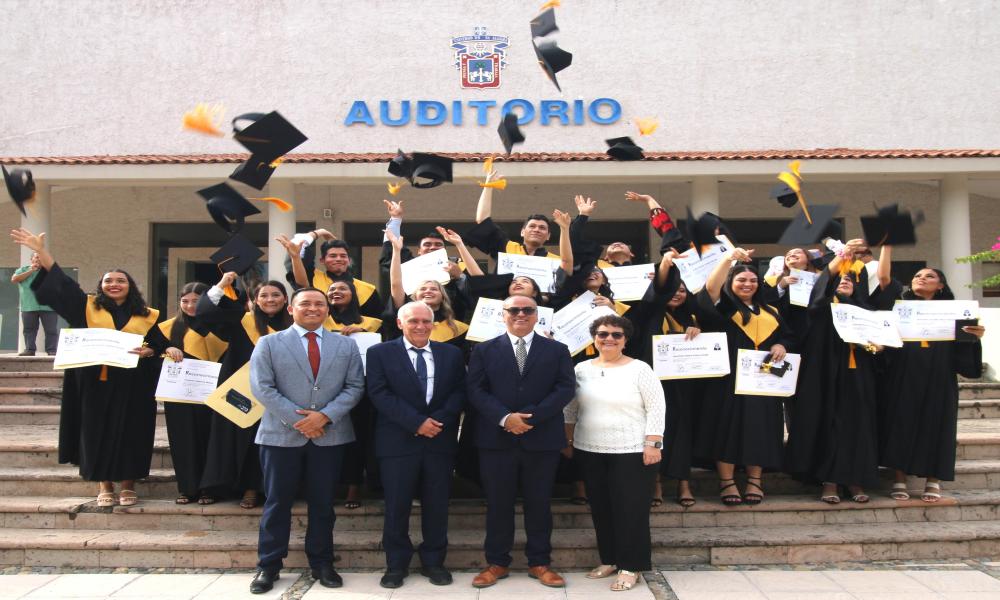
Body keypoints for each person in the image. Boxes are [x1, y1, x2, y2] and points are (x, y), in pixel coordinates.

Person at [10, 228, 162, 508]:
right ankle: (104, 484)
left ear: (131, 286)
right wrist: (41, 251)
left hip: (133, 385)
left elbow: (160, 344)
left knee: (132, 432)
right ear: (101, 286)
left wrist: (150, 350)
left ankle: (128, 484)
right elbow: (63, 286)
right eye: (108, 280)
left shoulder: (148, 315)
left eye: (121, 281)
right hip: (94, 383)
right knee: (95, 433)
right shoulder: (87, 306)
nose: (114, 284)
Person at [249, 287, 364, 594]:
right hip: (280, 436)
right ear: (291, 309)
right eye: (305, 303)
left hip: (330, 435)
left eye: (319, 304)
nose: (313, 308)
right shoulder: (269, 343)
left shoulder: (345, 345)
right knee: (277, 503)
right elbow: (262, 387)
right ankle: (268, 565)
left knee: (323, 503)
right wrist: (301, 421)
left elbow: (355, 387)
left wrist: (324, 417)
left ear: (327, 309)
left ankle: (322, 562)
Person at [466, 295, 575, 589]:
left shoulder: (557, 350)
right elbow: (475, 390)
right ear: (503, 314)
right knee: (498, 504)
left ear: (537, 315)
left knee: (539, 503)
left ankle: (540, 562)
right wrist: (505, 418)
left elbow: (565, 388)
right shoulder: (483, 349)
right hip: (496, 439)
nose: (520, 314)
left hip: (541, 439)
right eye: (514, 310)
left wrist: (530, 418)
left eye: (528, 310)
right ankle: (496, 563)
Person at [366, 301, 466, 589]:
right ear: (400, 323)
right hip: (398, 442)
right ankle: (396, 565)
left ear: (433, 324)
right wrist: (416, 422)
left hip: (439, 439)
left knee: (437, 505)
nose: (420, 326)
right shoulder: (380, 353)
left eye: (426, 321)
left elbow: (460, 391)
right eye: (413, 321)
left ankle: (434, 562)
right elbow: (379, 393)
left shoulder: (451, 354)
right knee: (397, 506)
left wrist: (437, 421)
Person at [876, 246, 986, 502]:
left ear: (940, 285)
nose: (921, 278)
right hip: (903, 375)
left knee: (938, 425)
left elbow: (964, 353)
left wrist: (974, 337)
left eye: (929, 276)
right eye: (917, 276)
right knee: (900, 422)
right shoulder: (899, 308)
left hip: (939, 377)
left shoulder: (955, 312)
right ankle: (899, 479)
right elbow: (886, 336)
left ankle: (933, 480)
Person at [564, 315, 664, 592]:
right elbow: (570, 408)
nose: (609, 338)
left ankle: (631, 566)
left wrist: (653, 443)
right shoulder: (581, 369)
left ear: (625, 340)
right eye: (602, 334)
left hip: (632, 451)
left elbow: (656, 407)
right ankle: (609, 559)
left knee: (631, 510)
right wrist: (567, 439)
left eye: (616, 334)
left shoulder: (640, 369)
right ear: (594, 338)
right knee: (601, 508)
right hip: (590, 449)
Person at [786, 239, 883, 503]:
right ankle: (829, 481)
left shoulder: (867, 312)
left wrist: (876, 347)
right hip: (825, 374)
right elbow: (820, 290)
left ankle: (855, 480)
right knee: (828, 422)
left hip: (857, 376)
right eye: (840, 280)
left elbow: (878, 346)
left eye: (850, 280)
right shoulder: (820, 310)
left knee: (857, 425)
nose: (845, 282)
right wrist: (841, 257)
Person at [697, 247, 792, 506]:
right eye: (741, 280)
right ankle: (727, 481)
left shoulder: (771, 312)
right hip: (727, 380)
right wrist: (728, 259)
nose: (747, 284)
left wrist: (781, 345)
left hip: (763, 380)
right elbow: (711, 289)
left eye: (752, 280)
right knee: (725, 426)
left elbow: (787, 336)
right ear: (730, 282)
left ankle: (754, 480)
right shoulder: (726, 308)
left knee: (761, 427)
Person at [197, 271, 293, 509]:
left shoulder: (294, 325)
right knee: (234, 436)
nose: (270, 299)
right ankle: (225, 486)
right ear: (255, 300)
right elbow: (206, 313)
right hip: (240, 387)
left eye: (276, 295)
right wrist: (223, 283)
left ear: (285, 299)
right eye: (264, 295)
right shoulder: (242, 319)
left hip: (279, 390)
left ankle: (256, 488)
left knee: (265, 439)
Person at [153, 282, 228, 505]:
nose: (190, 305)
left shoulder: (222, 327)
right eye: (185, 301)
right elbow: (152, 351)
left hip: (214, 392)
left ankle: (210, 488)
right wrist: (166, 349)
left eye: (196, 301)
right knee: (183, 440)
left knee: (211, 439)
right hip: (180, 396)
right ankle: (187, 488)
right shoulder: (167, 328)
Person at [323, 279, 383, 510]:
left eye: (342, 289)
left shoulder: (371, 323)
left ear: (354, 295)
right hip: (327, 387)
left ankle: (354, 484)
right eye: (332, 289)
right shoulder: (320, 321)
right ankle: (328, 484)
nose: (336, 291)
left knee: (357, 436)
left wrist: (363, 331)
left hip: (361, 390)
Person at [463, 168, 562, 265]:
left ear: (548, 236)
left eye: (542, 228)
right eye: (532, 226)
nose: (536, 230)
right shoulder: (508, 248)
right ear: (522, 232)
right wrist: (488, 186)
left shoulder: (556, 262)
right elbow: (482, 219)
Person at [285, 228, 383, 318]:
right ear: (322, 260)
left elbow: (377, 321)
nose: (338, 259)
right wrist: (320, 232)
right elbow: (297, 251)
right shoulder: (313, 279)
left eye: (343, 256)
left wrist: (361, 328)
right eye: (333, 256)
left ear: (349, 260)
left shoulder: (367, 290)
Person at [10, 251, 59, 356]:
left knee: (51, 330)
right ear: (31, 259)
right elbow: (14, 279)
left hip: (49, 307)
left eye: (41, 258)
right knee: (29, 330)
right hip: (29, 306)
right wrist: (31, 270)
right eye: (36, 257)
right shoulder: (23, 270)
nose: (38, 259)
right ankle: (29, 350)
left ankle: (52, 350)